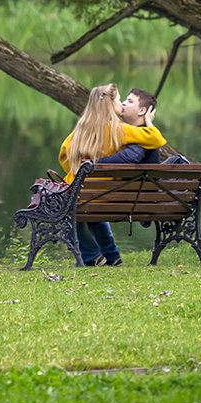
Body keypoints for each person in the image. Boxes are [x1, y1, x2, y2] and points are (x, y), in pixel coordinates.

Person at [58, 84, 166, 266]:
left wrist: (79, 168)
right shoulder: (118, 130)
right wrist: (149, 122)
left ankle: (95, 256)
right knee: (83, 207)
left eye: (127, 100)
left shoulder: (80, 129)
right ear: (110, 104)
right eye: (119, 100)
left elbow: (63, 154)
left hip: (79, 189)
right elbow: (157, 139)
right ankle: (103, 256)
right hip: (103, 193)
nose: (122, 104)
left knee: (69, 206)